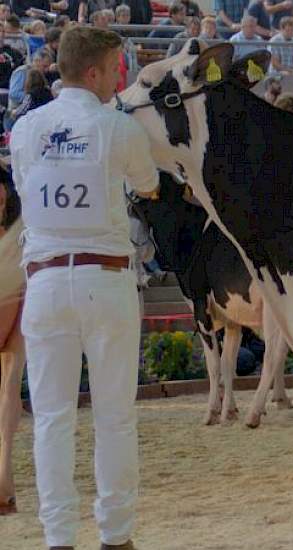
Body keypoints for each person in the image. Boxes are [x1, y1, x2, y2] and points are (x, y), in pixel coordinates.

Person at [9, 25, 159, 550]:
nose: (120, 77)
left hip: (46, 282)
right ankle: (116, 536)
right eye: (116, 68)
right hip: (106, 278)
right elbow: (149, 185)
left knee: (52, 418)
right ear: (93, 71)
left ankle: (58, 538)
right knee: (114, 415)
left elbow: (28, 188)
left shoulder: (27, 128)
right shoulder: (117, 127)